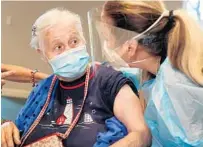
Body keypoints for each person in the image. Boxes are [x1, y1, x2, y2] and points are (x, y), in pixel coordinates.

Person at [1, 8, 151, 147]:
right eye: (58, 47)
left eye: (74, 41)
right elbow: (19, 131)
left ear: (84, 40)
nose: (69, 51)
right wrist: (7, 127)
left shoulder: (108, 81)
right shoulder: (41, 91)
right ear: (43, 54)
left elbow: (141, 134)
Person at [88, 0, 203, 147]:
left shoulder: (175, 86)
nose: (107, 46)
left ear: (130, 47)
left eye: (107, 39)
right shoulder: (156, 71)